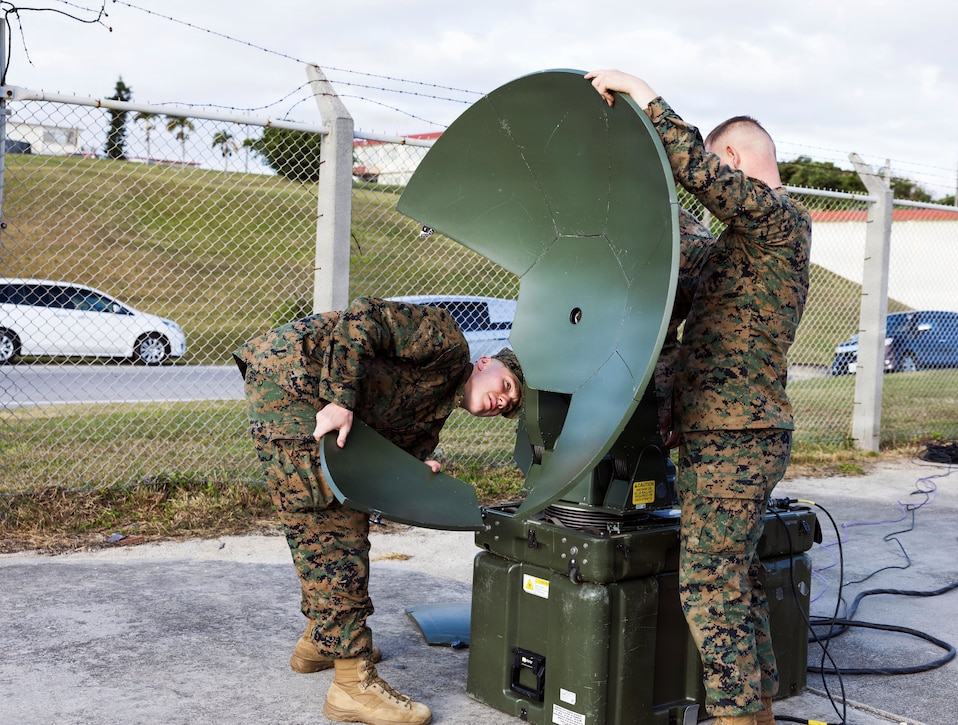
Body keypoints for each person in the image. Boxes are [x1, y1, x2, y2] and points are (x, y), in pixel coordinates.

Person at [585, 70, 812, 725]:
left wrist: (643, 95)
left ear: (734, 160)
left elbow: (701, 179)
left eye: (721, 167)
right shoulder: (734, 254)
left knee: (710, 584)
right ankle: (757, 707)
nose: (717, 182)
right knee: (733, 578)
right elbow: (678, 265)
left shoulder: (780, 221)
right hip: (723, 433)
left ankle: (739, 715)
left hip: (737, 434)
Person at [234, 295, 524, 725]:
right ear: (485, 364)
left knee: (332, 521)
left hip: (308, 390)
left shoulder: (434, 410)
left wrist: (410, 470)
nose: (503, 400)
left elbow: (394, 447)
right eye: (507, 386)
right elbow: (363, 317)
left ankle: (322, 640)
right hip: (294, 379)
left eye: (509, 407)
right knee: (331, 524)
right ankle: (352, 685)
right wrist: (338, 400)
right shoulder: (447, 342)